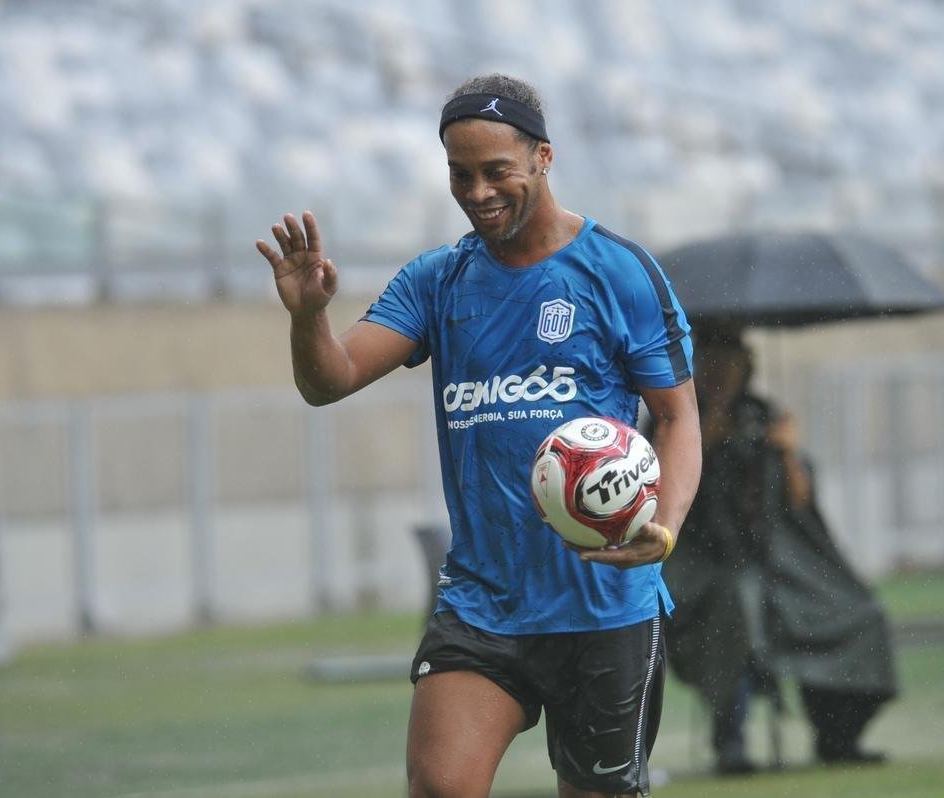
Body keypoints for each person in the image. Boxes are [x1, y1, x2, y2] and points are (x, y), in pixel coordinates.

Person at [256, 74, 702, 798]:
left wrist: (668, 529)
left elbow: (679, 418)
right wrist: (308, 317)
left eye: (497, 171)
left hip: (606, 605)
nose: (478, 192)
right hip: (483, 602)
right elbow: (328, 380)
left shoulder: (618, 273)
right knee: (440, 787)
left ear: (544, 159)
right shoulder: (439, 281)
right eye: (460, 175)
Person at [661, 326, 898, 775]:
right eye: (711, 365)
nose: (720, 374)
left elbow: (801, 501)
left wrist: (787, 451)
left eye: (729, 365)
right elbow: (667, 483)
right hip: (701, 563)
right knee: (737, 606)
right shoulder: (676, 416)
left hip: (775, 561)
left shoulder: (763, 416)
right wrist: (713, 419)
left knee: (857, 612)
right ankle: (731, 741)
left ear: (747, 367)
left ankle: (838, 734)